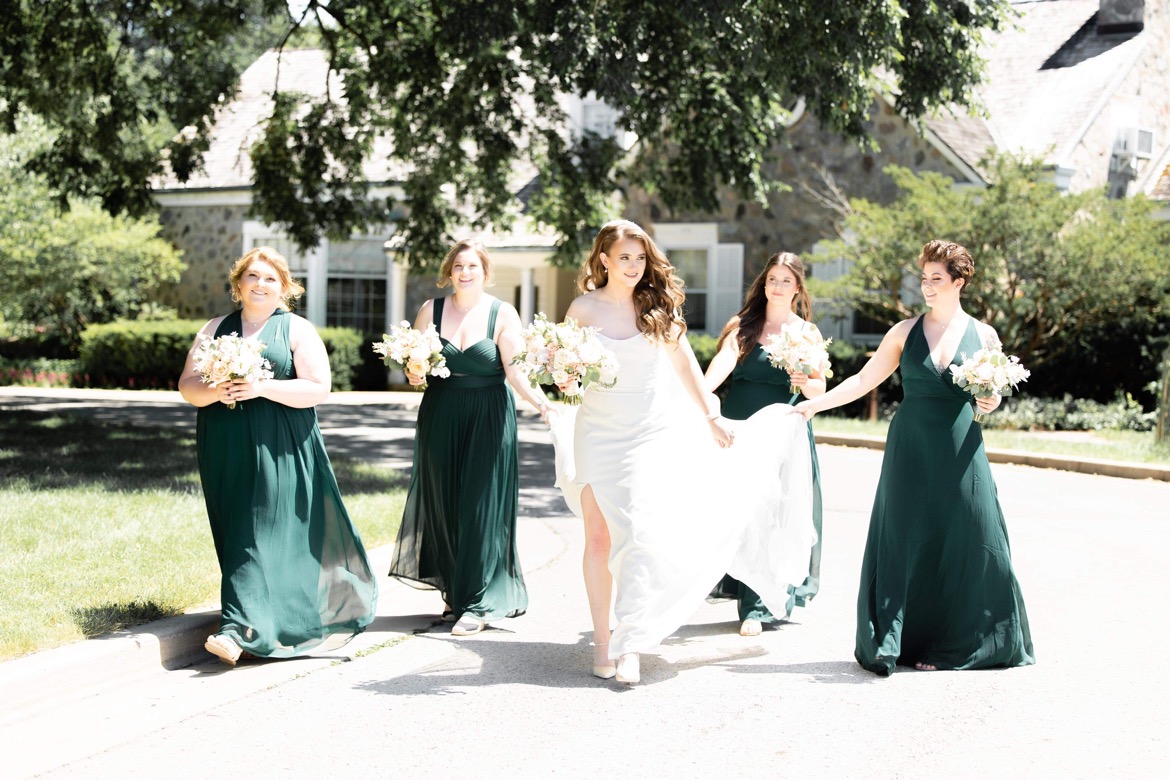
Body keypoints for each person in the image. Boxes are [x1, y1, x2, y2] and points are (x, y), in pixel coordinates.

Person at [552, 220, 817, 685]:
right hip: (596, 431)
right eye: (625, 257)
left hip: (644, 435)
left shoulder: (658, 309)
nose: (634, 266)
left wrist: (711, 416)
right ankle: (601, 640)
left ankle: (630, 642)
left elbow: (687, 367)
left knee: (634, 534)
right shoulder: (582, 309)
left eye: (640, 257)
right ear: (604, 260)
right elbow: (568, 374)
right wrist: (566, 379)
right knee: (598, 539)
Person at [794, 239, 1035, 675]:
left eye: (936, 279)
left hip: (962, 448)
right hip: (910, 447)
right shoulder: (903, 332)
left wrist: (989, 402)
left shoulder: (984, 335)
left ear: (958, 281)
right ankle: (896, 640)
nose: (926, 287)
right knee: (905, 535)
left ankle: (966, 641)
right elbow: (865, 379)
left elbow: (994, 392)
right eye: (923, 279)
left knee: (972, 535)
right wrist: (816, 403)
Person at [179, 246, 377, 666]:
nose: (260, 284)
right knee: (237, 531)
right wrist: (217, 391)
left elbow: (319, 388)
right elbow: (188, 387)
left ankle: (237, 630)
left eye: (270, 278)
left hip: (281, 444)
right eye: (252, 276)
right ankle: (266, 621)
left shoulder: (297, 330)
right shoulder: (214, 328)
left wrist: (261, 387)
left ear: (284, 286)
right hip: (224, 443)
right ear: (238, 285)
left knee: (260, 530)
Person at [387, 239, 551, 637]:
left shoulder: (501, 313)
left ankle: (478, 602)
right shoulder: (431, 310)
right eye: (458, 265)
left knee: (480, 506)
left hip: (488, 416)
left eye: (472, 266)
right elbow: (418, 367)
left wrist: (543, 403)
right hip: (440, 413)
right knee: (443, 501)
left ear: (485, 272)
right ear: (449, 270)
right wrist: (413, 374)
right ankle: (454, 594)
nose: (464, 272)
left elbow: (516, 371)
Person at [703, 252, 825, 637]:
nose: (778, 286)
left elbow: (818, 388)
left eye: (786, 280)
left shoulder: (806, 333)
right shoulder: (742, 325)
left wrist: (802, 377)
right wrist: (701, 396)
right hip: (740, 426)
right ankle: (739, 587)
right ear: (763, 282)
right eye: (772, 278)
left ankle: (756, 607)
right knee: (738, 510)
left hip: (782, 431)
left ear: (798, 288)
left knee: (772, 513)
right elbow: (723, 361)